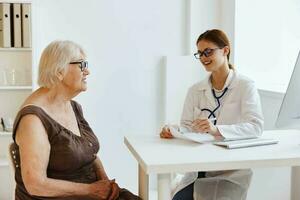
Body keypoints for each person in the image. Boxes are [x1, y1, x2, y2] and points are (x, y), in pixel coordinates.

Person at [12, 40, 142, 200]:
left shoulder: (72, 106)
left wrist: (105, 182)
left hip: (89, 191)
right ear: (59, 71)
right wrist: (91, 190)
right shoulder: (32, 119)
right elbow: (36, 184)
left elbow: (89, 152)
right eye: (81, 64)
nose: (87, 71)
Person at [160, 29, 264, 200]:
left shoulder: (246, 86)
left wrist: (217, 130)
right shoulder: (195, 90)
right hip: (198, 169)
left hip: (230, 172)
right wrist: (173, 131)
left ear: (225, 50)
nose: (203, 57)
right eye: (200, 53)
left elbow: (256, 127)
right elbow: (186, 126)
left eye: (208, 51)